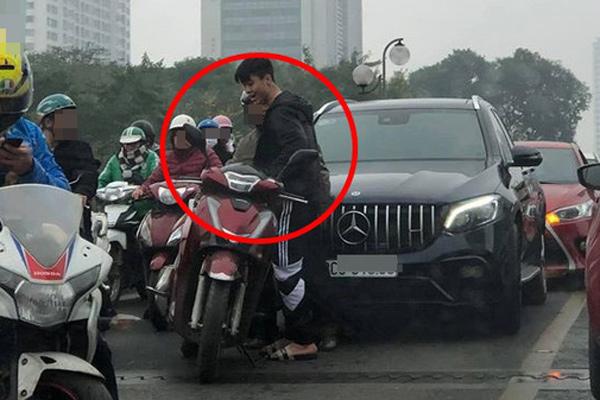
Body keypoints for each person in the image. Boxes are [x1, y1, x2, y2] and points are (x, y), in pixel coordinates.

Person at [0, 49, 118, 399]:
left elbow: (60, 192)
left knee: (99, 351)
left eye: (8, 110)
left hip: (25, 249)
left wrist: (28, 168)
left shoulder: (30, 135)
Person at [234, 58, 330, 360]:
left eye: (251, 83)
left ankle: (303, 341)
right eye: (245, 86)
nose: (249, 91)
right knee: (301, 268)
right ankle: (296, 334)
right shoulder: (294, 108)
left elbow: (297, 150)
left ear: (267, 78)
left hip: (291, 198)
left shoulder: (281, 113)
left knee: (286, 269)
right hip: (307, 196)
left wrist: (272, 179)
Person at [36, 93, 101, 240]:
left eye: (72, 118)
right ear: (48, 122)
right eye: (65, 118)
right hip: (35, 217)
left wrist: (82, 193)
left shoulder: (80, 148)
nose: (71, 124)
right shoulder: (33, 148)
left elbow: (88, 172)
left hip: (71, 219)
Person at [132, 115, 222, 200]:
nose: (179, 138)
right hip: (167, 201)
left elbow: (219, 173)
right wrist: (142, 189)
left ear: (193, 136)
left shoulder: (205, 153)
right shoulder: (168, 157)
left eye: (184, 134)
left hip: (196, 201)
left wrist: (207, 181)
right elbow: (154, 179)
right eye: (175, 134)